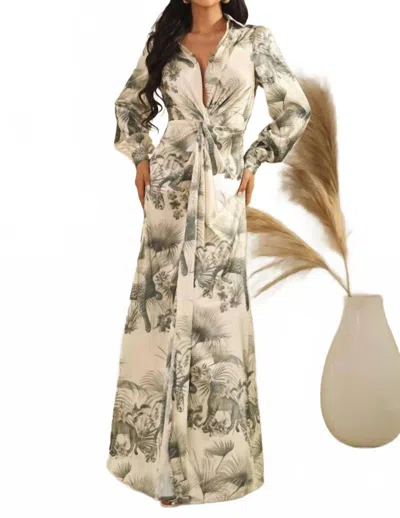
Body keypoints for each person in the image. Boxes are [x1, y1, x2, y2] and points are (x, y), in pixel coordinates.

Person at [107, 0, 311, 507]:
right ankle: (161, 471)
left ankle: (213, 472)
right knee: (161, 319)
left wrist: (255, 158)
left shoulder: (254, 41)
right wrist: (141, 158)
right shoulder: (164, 42)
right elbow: (129, 104)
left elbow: (295, 108)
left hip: (222, 194)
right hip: (169, 194)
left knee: (214, 326)